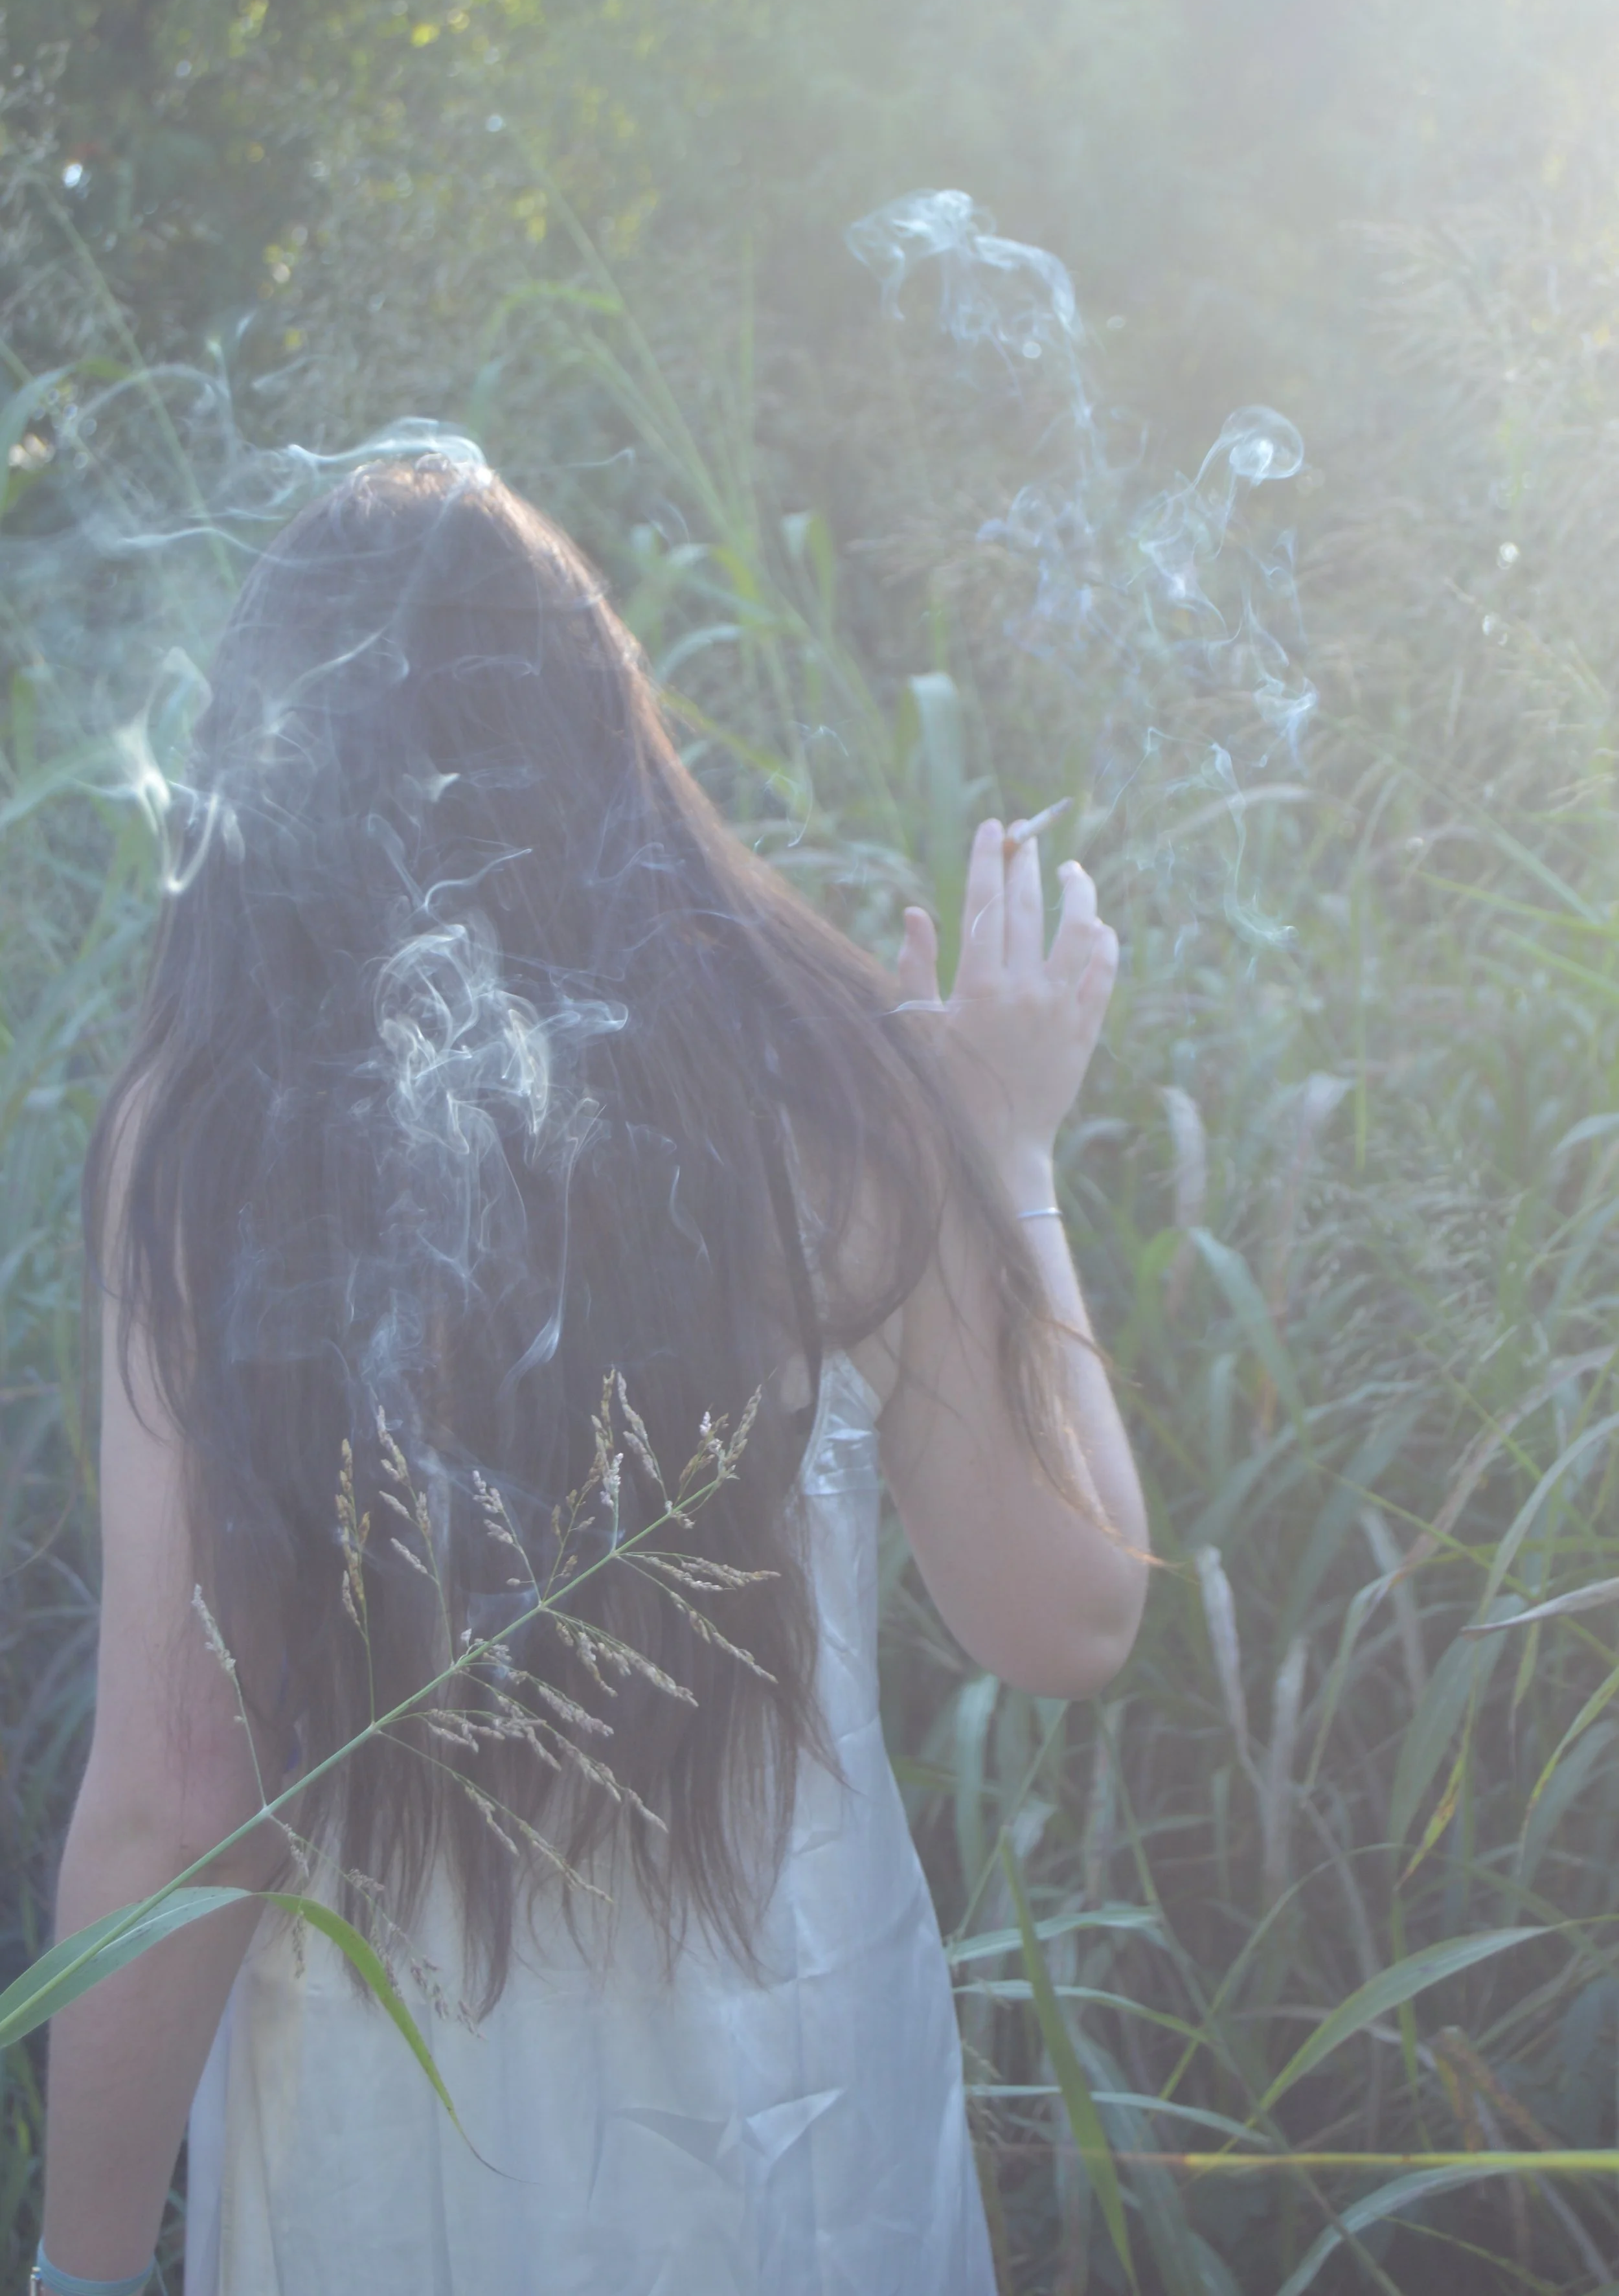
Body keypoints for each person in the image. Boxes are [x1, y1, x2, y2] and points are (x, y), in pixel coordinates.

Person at [37, 454, 1148, 2296]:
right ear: (600, 717)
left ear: (268, 764)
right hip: (794, 2146)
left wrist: (76, 2271)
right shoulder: (813, 1072)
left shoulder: (208, 1127)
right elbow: (1072, 1619)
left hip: (387, 2180)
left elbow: (174, 1784)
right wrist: (1005, 1160)